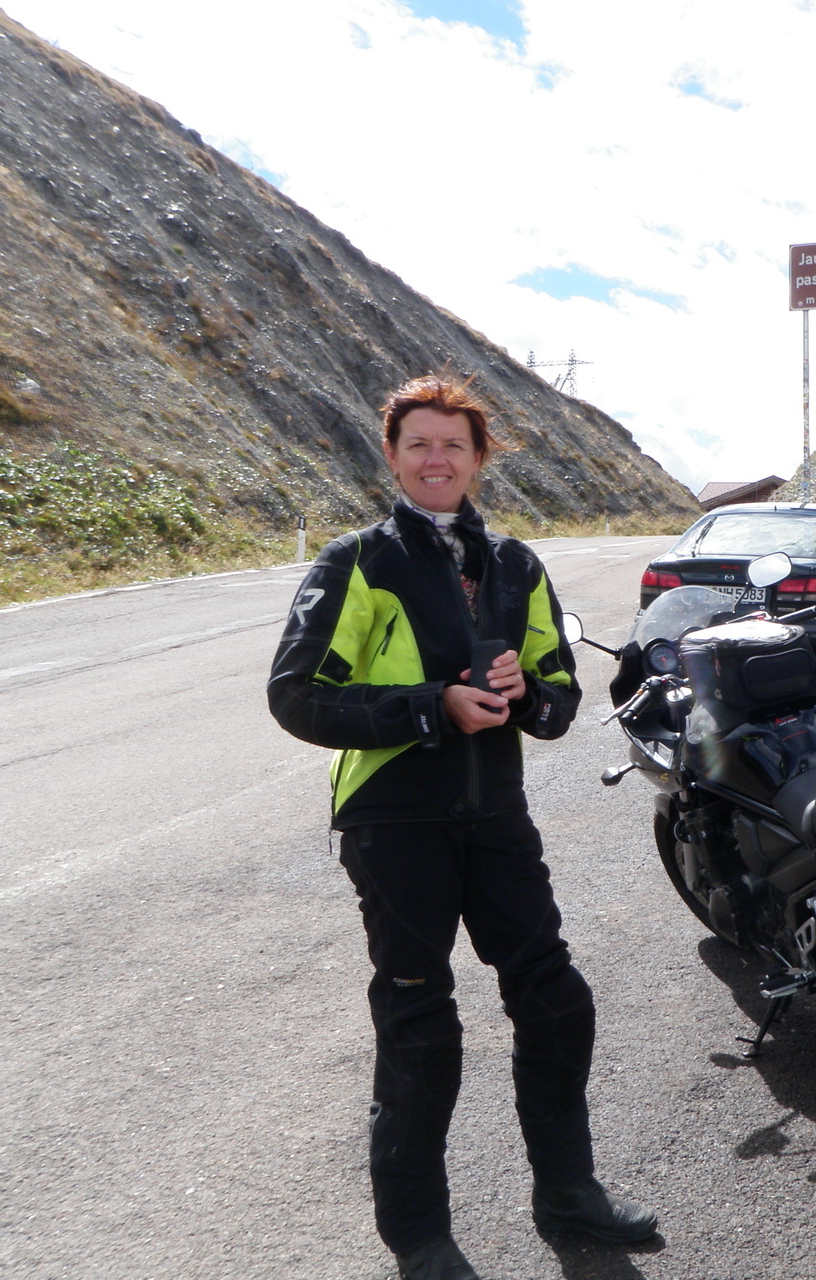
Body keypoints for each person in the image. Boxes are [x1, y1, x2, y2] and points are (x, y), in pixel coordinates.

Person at [267, 374, 656, 1280]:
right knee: (420, 1025)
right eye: (418, 445)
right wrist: (430, 707)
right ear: (393, 458)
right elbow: (296, 696)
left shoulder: (517, 565)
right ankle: (419, 1240)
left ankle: (568, 1193)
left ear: (479, 459)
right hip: (394, 819)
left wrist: (530, 699)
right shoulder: (355, 561)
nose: (435, 459)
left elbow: (560, 696)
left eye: (453, 445)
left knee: (557, 1003)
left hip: (496, 815)